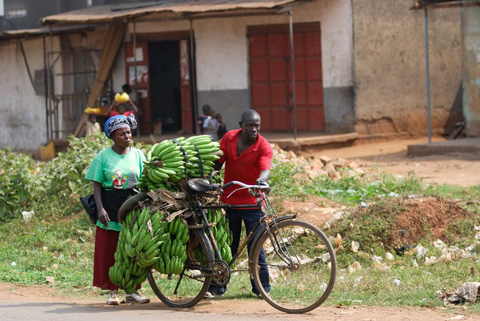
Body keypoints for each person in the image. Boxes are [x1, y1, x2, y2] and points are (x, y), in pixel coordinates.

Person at [205, 109, 272, 299]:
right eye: (250, 125)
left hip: (252, 204)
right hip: (230, 202)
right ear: (241, 125)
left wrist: (261, 180)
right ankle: (217, 287)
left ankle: (261, 288)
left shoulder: (263, 146)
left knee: (256, 247)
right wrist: (210, 175)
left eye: (257, 125)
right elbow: (219, 162)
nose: (254, 129)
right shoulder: (229, 138)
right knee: (228, 246)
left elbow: (265, 168)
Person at [84, 114, 149, 305]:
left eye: (129, 132)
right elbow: (96, 185)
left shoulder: (137, 154)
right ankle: (112, 291)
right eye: (122, 134)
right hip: (110, 204)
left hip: (133, 204)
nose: (127, 136)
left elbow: (145, 180)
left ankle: (133, 290)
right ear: (113, 136)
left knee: (134, 250)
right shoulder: (103, 156)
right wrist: (101, 209)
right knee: (111, 250)